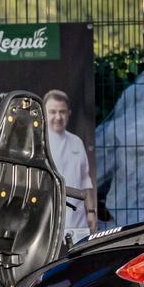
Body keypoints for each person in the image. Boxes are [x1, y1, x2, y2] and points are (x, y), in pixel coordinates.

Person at [43, 89, 96, 241]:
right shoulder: (38, 144)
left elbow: (85, 180)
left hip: (78, 222)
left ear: (69, 113)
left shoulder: (77, 142)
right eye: (52, 112)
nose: (58, 117)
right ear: (44, 114)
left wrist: (91, 211)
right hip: (49, 224)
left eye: (62, 112)